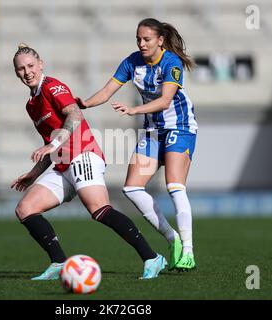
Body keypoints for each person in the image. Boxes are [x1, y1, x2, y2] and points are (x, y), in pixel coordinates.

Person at [10, 43, 167, 280]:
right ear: (16, 73)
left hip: (83, 155)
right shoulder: (31, 104)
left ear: (41, 64)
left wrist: (52, 146)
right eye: (21, 69)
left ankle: (152, 258)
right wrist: (34, 173)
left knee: (99, 210)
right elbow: (51, 143)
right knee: (25, 209)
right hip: (63, 164)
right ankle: (59, 263)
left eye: (31, 65)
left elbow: (75, 114)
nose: (27, 72)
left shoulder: (53, 86)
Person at [76, 18, 198, 271]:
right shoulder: (132, 61)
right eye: (138, 39)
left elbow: (165, 101)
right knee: (132, 188)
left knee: (174, 186)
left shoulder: (171, 62)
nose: (141, 44)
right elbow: (108, 90)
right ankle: (171, 237)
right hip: (153, 132)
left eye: (146, 39)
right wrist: (84, 104)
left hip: (179, 128)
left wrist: (133, 110)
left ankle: (188, 249)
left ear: (160, 40)